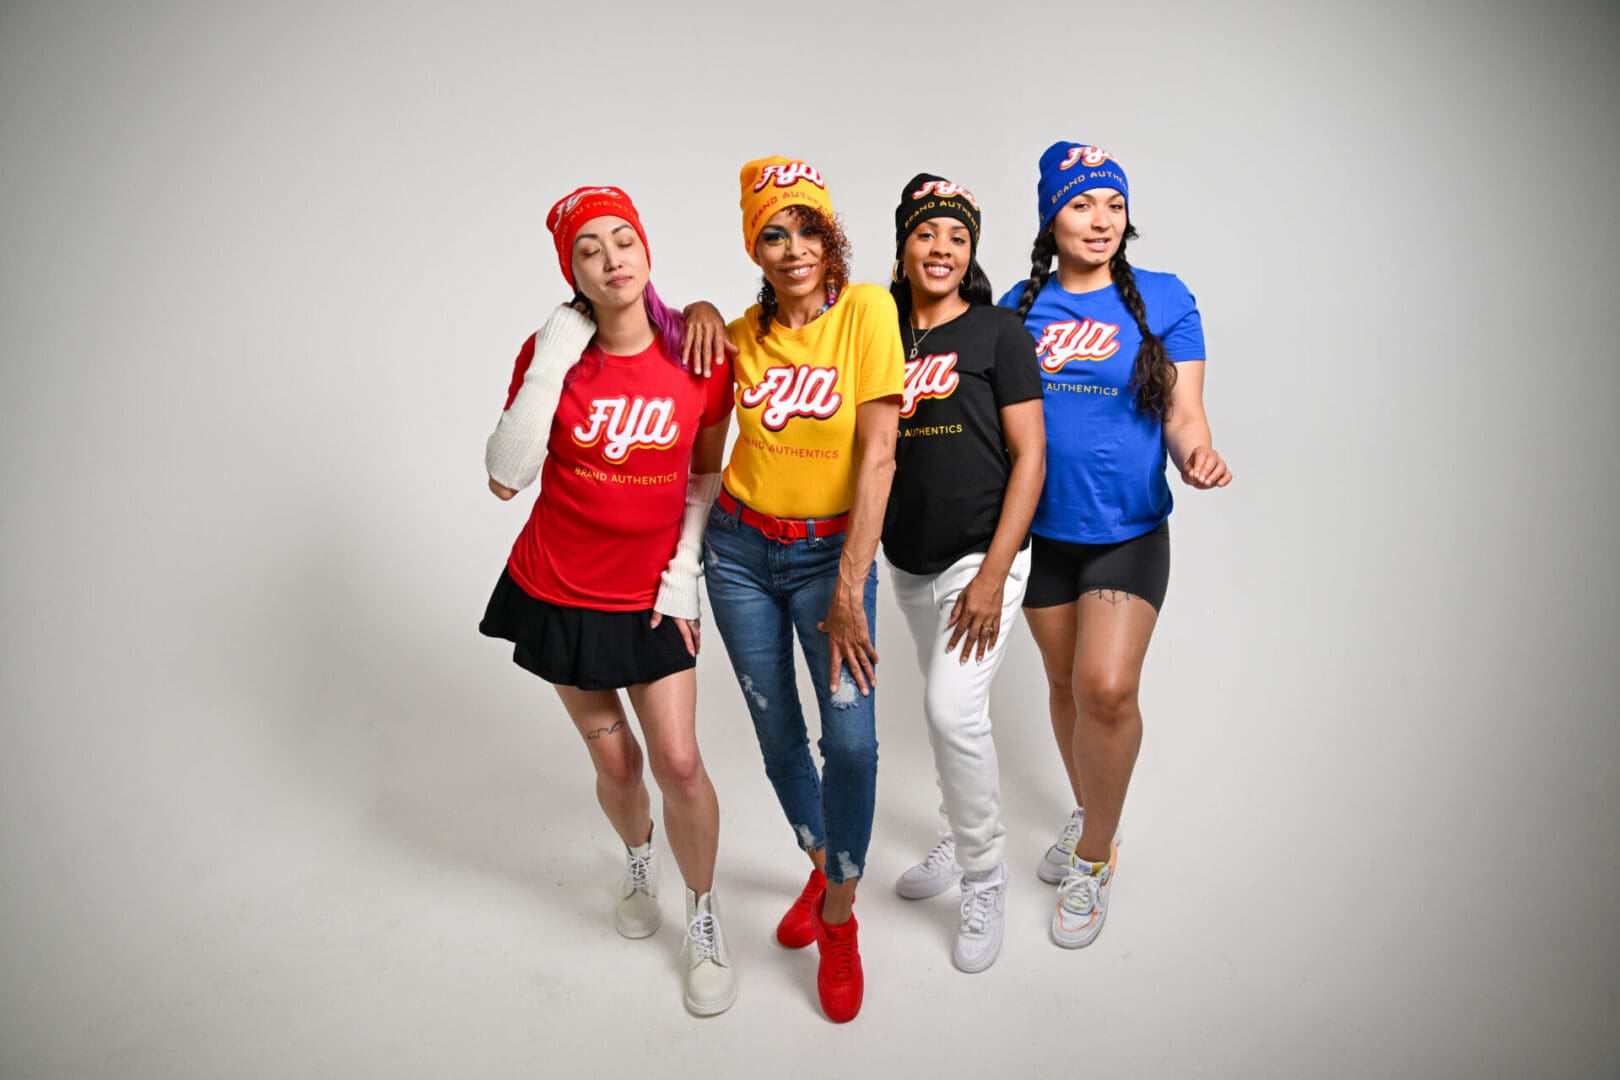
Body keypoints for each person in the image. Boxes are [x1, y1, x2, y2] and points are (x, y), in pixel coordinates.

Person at [478, 185, 738, 1015]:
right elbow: (505, 477)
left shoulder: (700, 351)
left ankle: (703, 915)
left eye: (623, 239)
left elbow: (705, 474)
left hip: (653, 598)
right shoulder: (550, 352)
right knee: (618, 763)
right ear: (573, 273)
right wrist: (553, 356)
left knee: (680, 763)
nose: (611, 259)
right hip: (557, 591)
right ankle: (638, 857)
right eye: (588, 250)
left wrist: (685, 571)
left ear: (646, 248)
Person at [1000, 142, 1233, 949]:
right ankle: (1090, 810)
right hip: (1039, 535)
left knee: (1106, 688)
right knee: (1065, 685)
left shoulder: (1163, 299)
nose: (1101, 220)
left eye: (1113, 204)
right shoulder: (1017, 307)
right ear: (1050, 218)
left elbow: (1184, 413)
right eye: (1081, 204)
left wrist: (1196, 454)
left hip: (1126, 531)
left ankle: (1095, 856)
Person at [702, 157, 903, 1023]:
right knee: (778, 731)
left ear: (832, 238)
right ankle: (825, 868)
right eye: (773, 234)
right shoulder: (738, 337)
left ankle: (838, 912)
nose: (793, 250)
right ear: (756, 249)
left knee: (850, 744)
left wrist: (851, 586)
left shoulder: (867, 313)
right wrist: (697, 311)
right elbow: (697, 436)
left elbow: (880, 457)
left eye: (808, 229)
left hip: (832, 559)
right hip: (739, 553)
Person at [879, 174, 1045, 973]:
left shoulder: (997, 332)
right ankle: (957, 828)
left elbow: (1031, 455)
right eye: (927, 233)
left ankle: (984, 875)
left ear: (970, 252)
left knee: (951, 708)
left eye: (957, 236)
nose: (942, 248)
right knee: (946, 708)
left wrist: (994, 572)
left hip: (984, 553)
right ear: (903, 245)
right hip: (908, 558)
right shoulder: (878, 331)